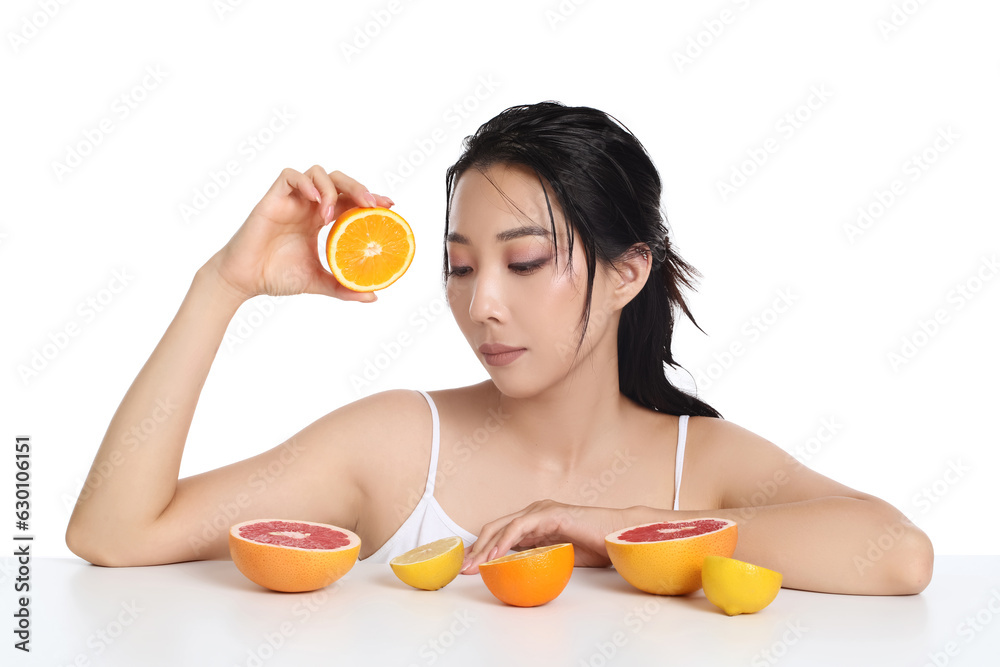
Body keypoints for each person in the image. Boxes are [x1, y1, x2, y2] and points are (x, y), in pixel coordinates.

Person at [66, 101, 932, 595]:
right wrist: (223, 284)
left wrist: (618, 529)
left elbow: (899, 553)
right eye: (458, 266)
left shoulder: (700, 463)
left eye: (523, 262)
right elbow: (113, 532)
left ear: (629, 272)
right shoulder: (397, 446)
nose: (481, 303)